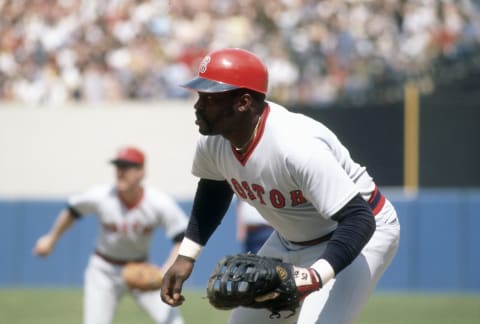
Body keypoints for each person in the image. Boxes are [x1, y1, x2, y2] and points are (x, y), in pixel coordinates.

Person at [160, 48, 401, 324]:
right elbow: (214, 190)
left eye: (209, 98)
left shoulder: (295, 146)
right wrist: (187, 256)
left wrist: (314, 276)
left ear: (243, 102)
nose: (198, 106)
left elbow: (359, 219)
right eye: (199, 96)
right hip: (290, 239)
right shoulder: (213, 140)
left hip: (358, 234)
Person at [33, 146, 187, 324]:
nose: (121, 172)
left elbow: (181, 237)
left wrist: (166, 269)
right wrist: (51, 239)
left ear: (141, 172)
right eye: (118, 166)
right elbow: (72, 210)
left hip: (140, 268)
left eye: (127, 167)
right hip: (103, 270)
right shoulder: (101, 196)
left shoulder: (158, 202)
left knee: (174, 322)